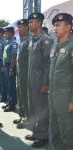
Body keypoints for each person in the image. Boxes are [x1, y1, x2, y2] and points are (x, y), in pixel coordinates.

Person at [25, 13, 52, 148]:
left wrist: (45, 83)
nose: (29, 25)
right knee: (33, 107)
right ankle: (36, 132)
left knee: (41, 109)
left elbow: (48, 63)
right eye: (29, 23)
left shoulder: (45, 40)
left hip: (40, 80)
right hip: (32, 79)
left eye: (32, 22)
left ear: (40, 23)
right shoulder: (32, 39)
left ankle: (43, 136)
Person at [50, 13, 73, 150]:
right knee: (55, 130)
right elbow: (52, 71)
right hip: (54, 96)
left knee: (67, 133)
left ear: (68, 27)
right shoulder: (54, 46)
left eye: (58, 25)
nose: (54, 28)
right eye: (54, 26)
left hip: (66, 97)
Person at [13, 19, 30, 129]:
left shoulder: (30, 40)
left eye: (22, 27)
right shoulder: (21, 40)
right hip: (20, 72)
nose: (19, 29)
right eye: (18, 27)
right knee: (19, 93)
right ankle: (22, 115)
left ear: (27, 28)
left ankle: (27, 118)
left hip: (26, 72)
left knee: (25, 95)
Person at [1, 27, 18, 112]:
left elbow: (13, 57)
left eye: (6, 33)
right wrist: (4, 66)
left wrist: (11, 69)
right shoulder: (7, 43)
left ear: (11, 34)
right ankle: (9, 101)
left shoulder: (13, 43)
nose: (5, 35)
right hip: (6, 65)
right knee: (8, 85)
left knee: (11, 86)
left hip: (11, 66)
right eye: (4, 33)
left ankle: (12, 104)